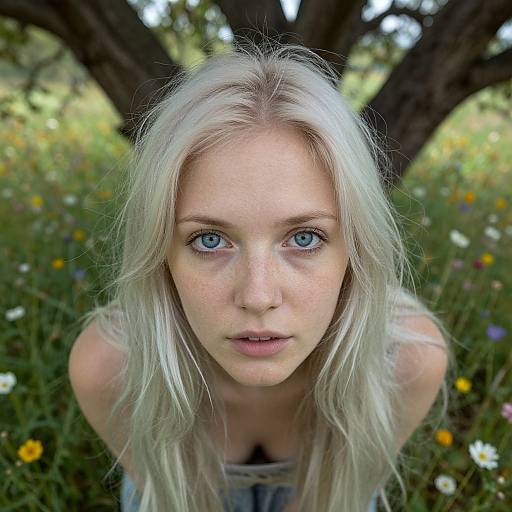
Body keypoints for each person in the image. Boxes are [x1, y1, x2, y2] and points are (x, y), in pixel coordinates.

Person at [68, 37, 453, 512]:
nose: (258, 295)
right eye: (209, 240)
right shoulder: (109, 367)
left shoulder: (406, 361)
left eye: (305, 238)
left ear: (355, 250)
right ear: (160, 253)